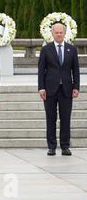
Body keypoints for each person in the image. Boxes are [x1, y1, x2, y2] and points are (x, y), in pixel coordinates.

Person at [38, 23, 80, 156]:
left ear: (64, 33)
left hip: (66, 90)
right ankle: (51, 146)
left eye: (61, 32)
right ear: (52, 33)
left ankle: (65, 146)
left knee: (65, 119)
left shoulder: (71, 49)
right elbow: (41, 70)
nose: (59, 34)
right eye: (56, 32)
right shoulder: (46, 49)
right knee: (51, 118)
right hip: (50, 90)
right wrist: (41, 88)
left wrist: (76, 87)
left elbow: (76, 71)